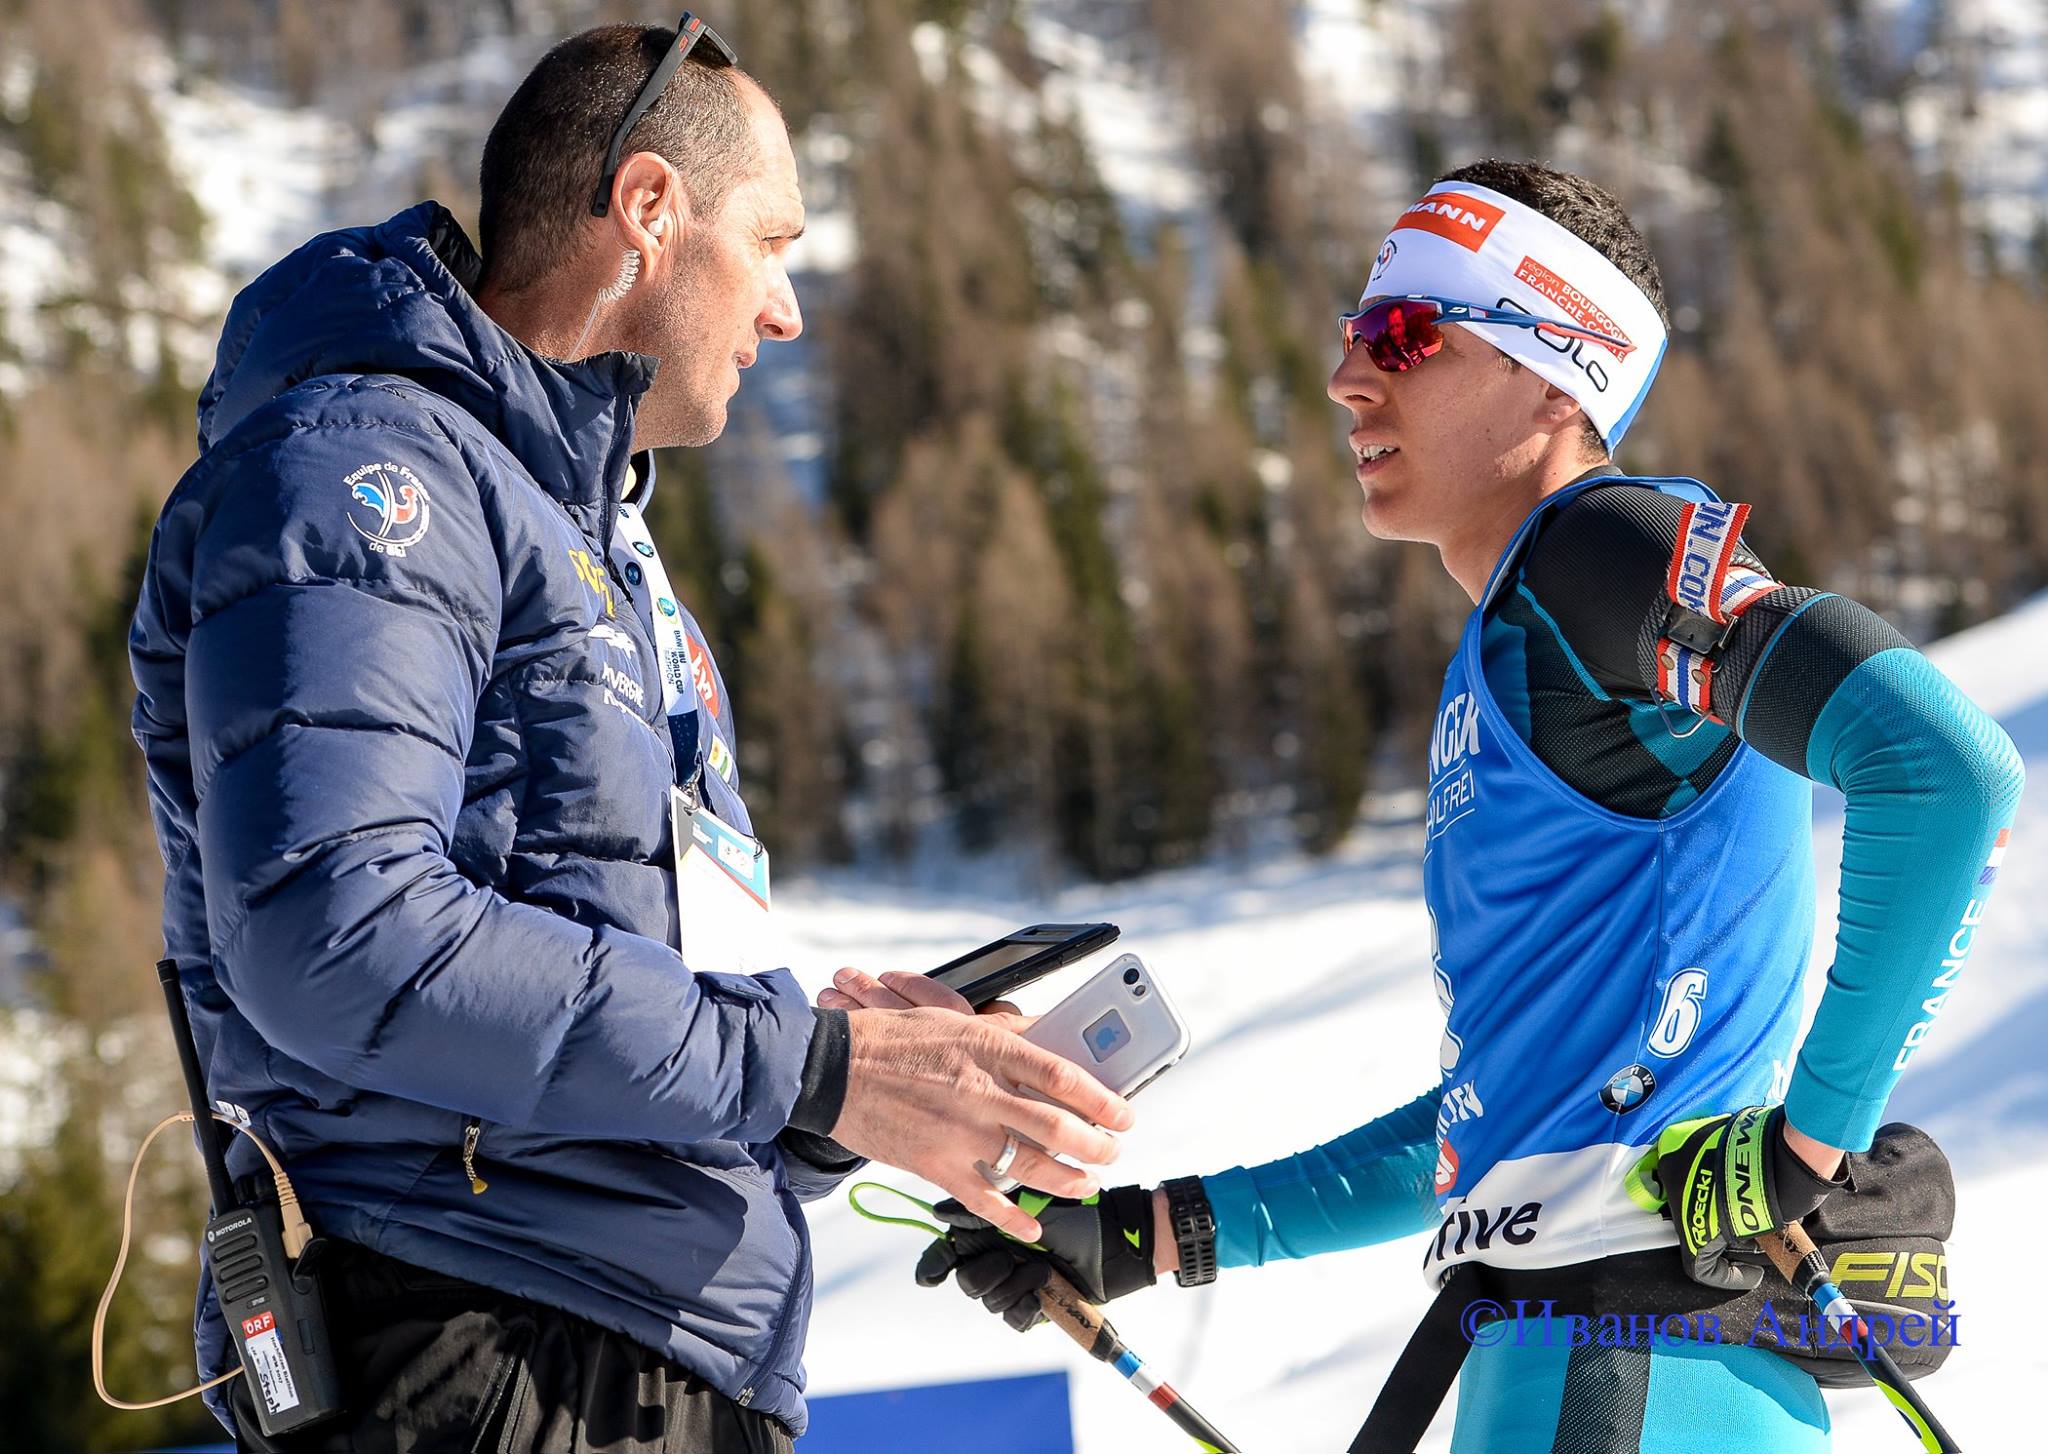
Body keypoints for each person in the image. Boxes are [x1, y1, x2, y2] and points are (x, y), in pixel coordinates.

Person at [908, 160, 2026, 1450]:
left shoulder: (1598, 550)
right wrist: (1157, 1235)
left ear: (1554, 372)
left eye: (1404, 334)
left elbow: (1946, 774)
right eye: (1353, 332)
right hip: (1584, 1360)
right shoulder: (1518, 638)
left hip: (1635, 1363)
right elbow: (1501, 1128)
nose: (1348, 377)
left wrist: (1811, 1145)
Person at [129, 18, 1129, 1453]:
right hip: (482, 1341)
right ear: (649, 207)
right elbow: (335, 930)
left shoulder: (604, 554)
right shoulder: (368, 471)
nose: (786, 310)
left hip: (639, 1353)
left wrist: (848, 1078)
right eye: (771, 244)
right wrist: (807, 1066)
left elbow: (643, 1017)